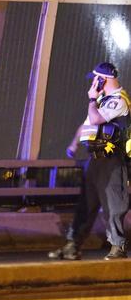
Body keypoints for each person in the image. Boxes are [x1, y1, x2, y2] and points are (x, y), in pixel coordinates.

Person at [50, 62, 130, 261]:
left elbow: (95, 119)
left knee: (113, 204)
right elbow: (87, 124)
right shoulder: (103, 100)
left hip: (111, 161)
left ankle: (118, 247)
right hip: (94, 160)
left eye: (96, 79)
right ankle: (73, 246)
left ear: (103, 79)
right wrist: (73, 145)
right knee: (86, 204)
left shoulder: (118, 100)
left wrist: (92, 99)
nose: (93, 83)